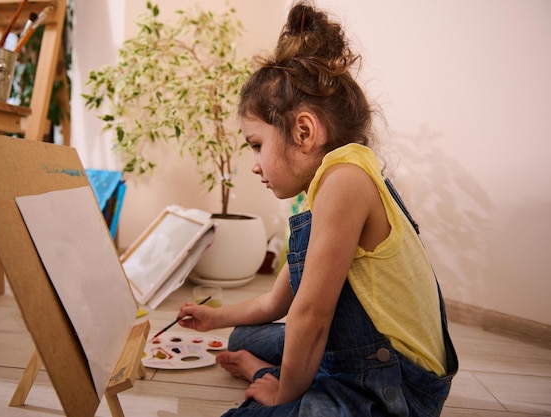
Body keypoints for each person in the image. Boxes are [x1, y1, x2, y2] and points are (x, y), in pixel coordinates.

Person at [177, 1, 458, 415]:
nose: (255, 164)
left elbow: (310, 316)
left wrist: (283, 396)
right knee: (242, 338)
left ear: (304, 131)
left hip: (395, 387)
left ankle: (284, 381)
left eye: (257, 145)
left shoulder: (345, 181)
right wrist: (210, 319)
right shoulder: (323, 190)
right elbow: (277, 305)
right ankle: (284, 372)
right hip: (359, 357)